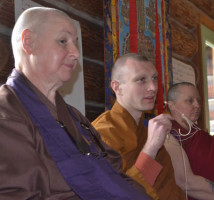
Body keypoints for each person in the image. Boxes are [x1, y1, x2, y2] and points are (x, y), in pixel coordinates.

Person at [0, 7, 150, 200]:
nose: (76, 53)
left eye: (76, 44)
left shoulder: (75, 117)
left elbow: (114, 174)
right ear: (28, 42)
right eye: (63, 41)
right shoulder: (7, 114)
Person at [92, 53, 185, 199]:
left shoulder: (144, 131)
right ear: (117, 87)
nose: (153, 87)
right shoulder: (103, 134)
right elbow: (118, 194)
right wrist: (151, 147)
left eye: (154, 78)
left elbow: (168, 187)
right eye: (141, 80)